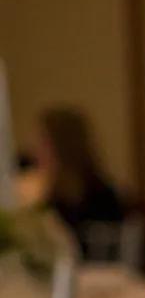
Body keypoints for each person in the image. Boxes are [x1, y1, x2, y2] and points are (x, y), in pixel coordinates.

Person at [35, 107, 125, 250]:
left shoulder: (98, 196)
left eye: (44, 143)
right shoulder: (54, 193)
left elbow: (78, 250)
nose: (37, 151)